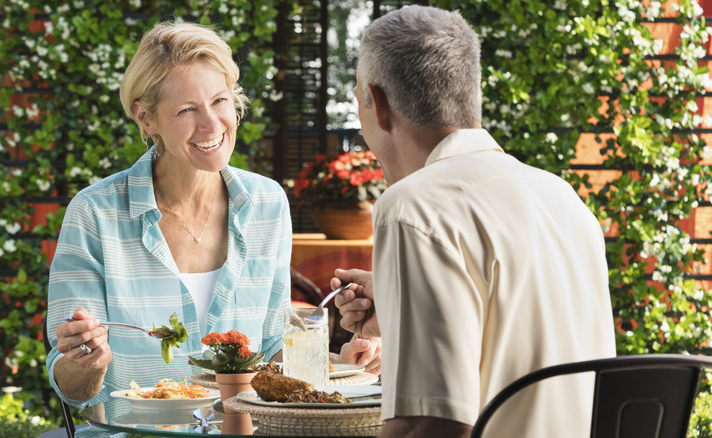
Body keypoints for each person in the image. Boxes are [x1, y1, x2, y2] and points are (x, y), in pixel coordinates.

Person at [45, 20, 379, 434]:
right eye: (187, 109)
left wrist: (343, 365)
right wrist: (88, 363)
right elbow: (70, 387)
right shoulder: (95, 214)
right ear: (146, 118)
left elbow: (273, 355)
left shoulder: (266, 203)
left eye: (219, 100)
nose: (211, 124)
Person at [333, 5, 616, 438]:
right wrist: (397, 306)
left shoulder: (414, 207)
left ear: (377, 103)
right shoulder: (562, 197)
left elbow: (427, 424)